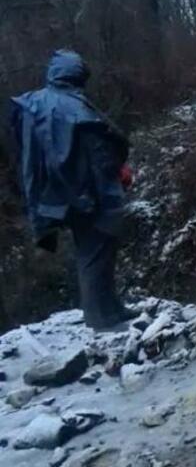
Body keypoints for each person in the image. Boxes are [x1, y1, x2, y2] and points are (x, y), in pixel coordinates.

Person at [8, 50, 136, 331]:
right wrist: (114, 178)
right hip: (86, 193)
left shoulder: (34, 103)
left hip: (59, 193)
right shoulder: (73, 107)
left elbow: (29, 155)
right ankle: (101, 320)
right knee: (94, 253)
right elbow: (99, 153)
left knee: (96, 250)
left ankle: (111, 308)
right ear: (76, 76)